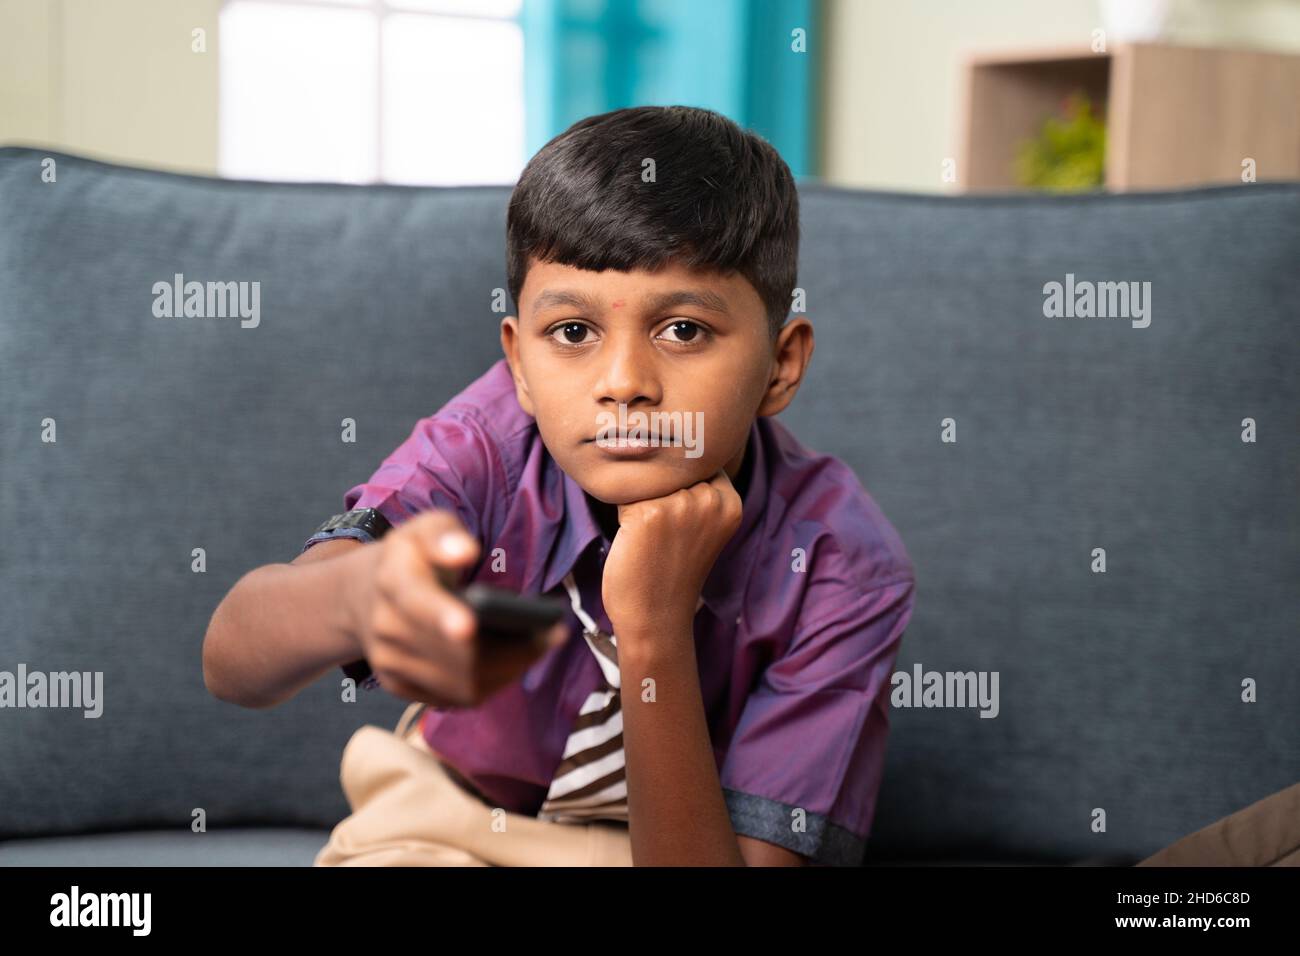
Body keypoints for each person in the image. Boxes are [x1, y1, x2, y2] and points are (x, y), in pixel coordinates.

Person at [202, 105, 916, 866]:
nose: (624, 385)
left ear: (781, 365)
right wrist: (357, 596)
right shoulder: (484, 447)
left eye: (684, 330)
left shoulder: (845, 564)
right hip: (451, 818)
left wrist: (651, 632)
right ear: (520, 366)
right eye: (573, 332)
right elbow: (232, 664)